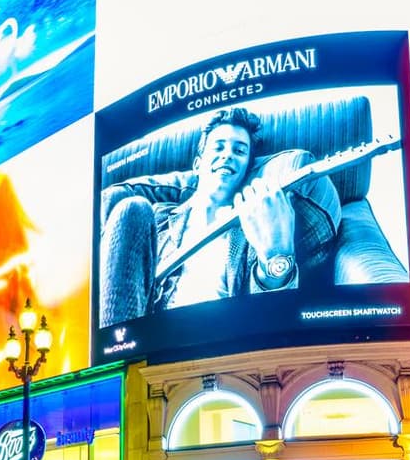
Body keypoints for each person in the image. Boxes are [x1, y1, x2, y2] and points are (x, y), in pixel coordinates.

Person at [99, 107, 344, 327]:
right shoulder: (157, 218)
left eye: (239, 151)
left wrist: (276, 257)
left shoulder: (254, 224)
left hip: (222, 349)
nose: (227, 155)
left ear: (248, 169)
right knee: (132, 208)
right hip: (146, 342)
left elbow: (269, 319)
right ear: (197, 164)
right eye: (218, 147)